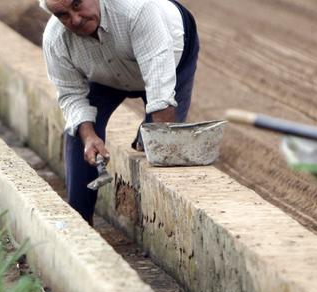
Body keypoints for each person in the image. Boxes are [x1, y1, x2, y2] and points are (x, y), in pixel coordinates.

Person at [39, 0, 199, 224]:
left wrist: (160, 140)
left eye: (77, 4)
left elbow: (161, 90)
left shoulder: (138, 12)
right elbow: (71, 95)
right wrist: (88, 135)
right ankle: (80, 222)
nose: (75, 19)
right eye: (63, 15)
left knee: (160, 142)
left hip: (168, 57)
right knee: (78, 133)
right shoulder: (56, 39)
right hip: (105, 74)